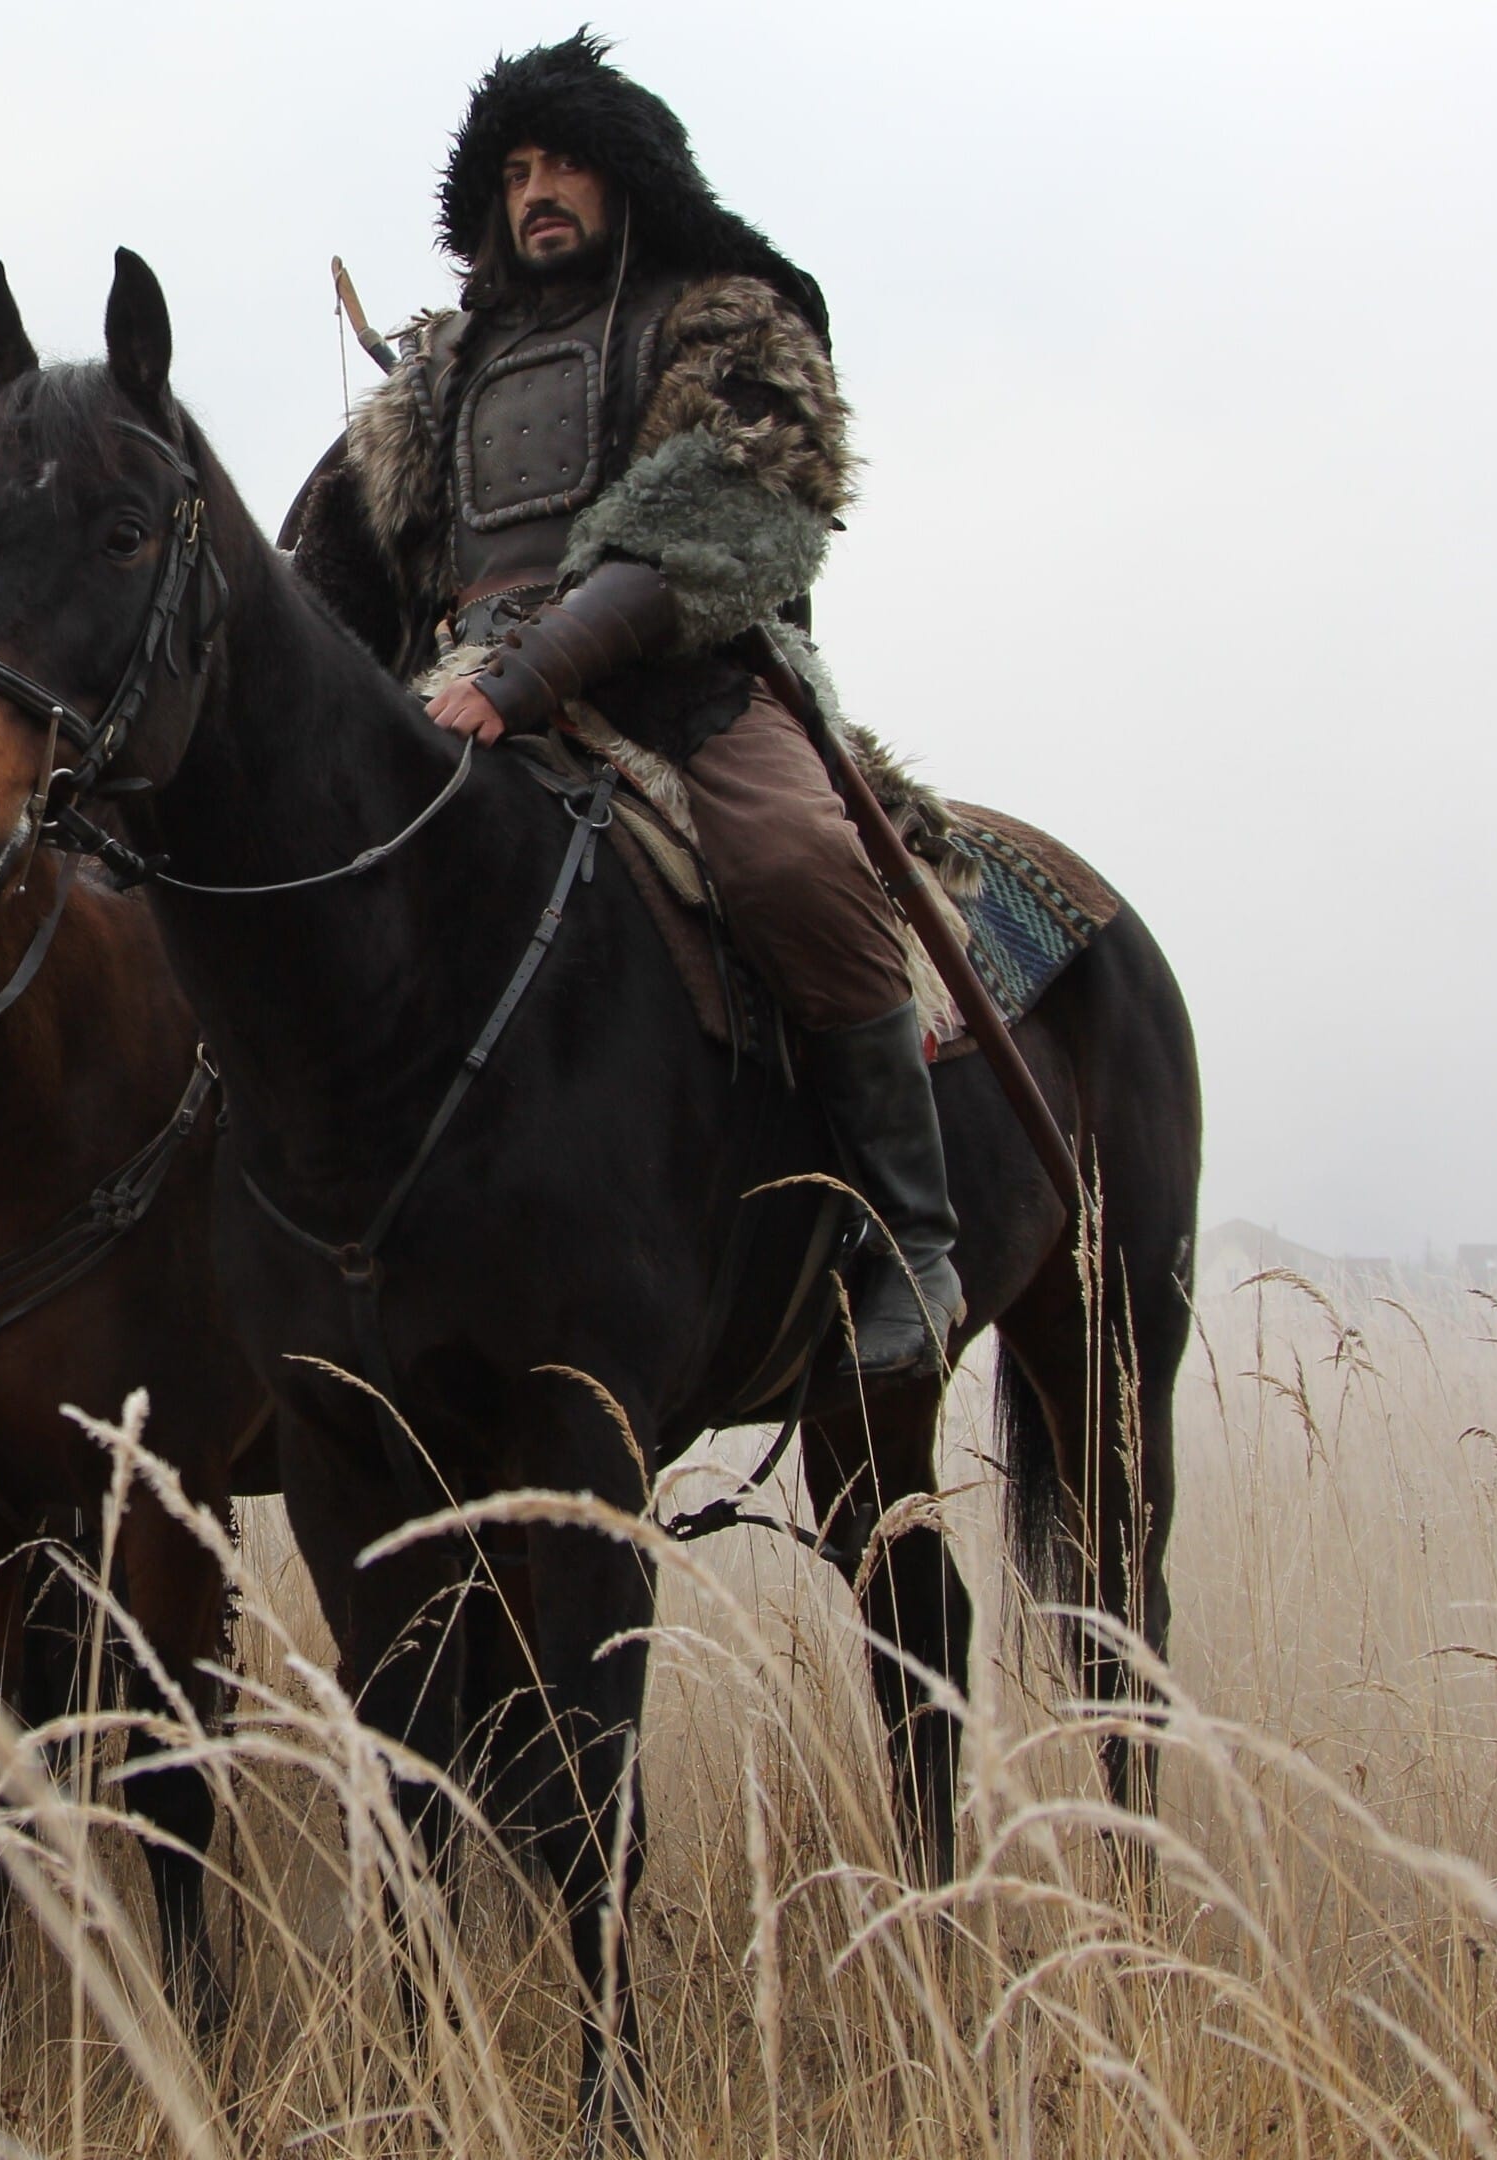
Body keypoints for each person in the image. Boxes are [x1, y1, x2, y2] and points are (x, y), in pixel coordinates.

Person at [282, 32, 959, 1374]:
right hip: (458, 695)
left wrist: (527, 676)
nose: (539, 190)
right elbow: (335, 579)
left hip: (689, 688)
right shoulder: (442, 377)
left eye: (566, 162)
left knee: (799, 864)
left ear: (630, 173)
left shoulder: (719, 317)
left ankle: (911, 1238)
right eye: (517, 169)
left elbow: (718, 521)